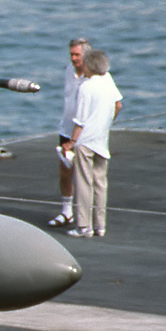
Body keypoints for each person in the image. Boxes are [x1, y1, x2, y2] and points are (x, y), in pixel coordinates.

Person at [63, 49, 122, 238]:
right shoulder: (108, 82)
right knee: (100, 183)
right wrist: (106, 123)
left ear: (90, 65)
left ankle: (84, 227)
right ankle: (100, 226)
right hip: (101, 140)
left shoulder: (86, 87)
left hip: (86, 141)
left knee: (83, 183)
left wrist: (71, 141)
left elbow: (80, 120)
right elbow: (117, 105)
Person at [48, 37, 89, 227]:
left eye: (77, 54)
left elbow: (115, 104)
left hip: (84, 132)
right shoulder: (68, 71)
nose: (73, 58)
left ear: (86, 55)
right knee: (65, 172)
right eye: (71, 54)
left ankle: (86, 216)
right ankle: (67, 212)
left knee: (85, 175)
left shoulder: (93, 76)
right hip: (66, 128)